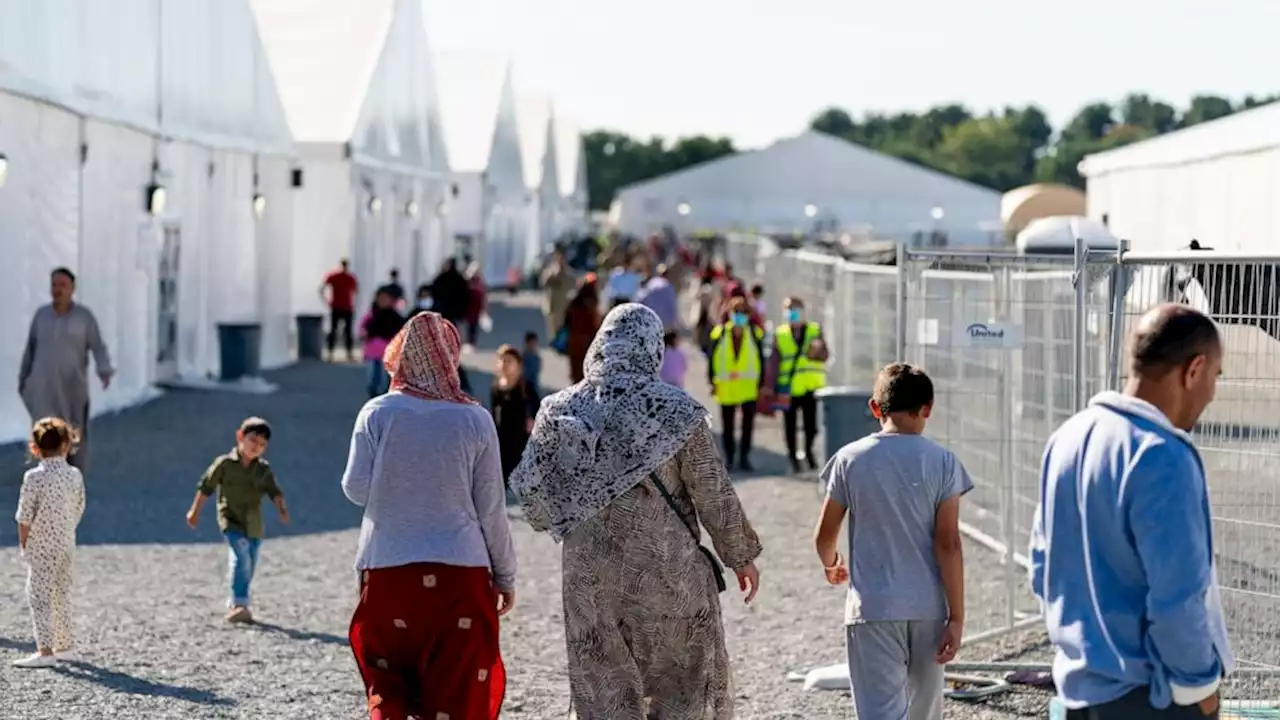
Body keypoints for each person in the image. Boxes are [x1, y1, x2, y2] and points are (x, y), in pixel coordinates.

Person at [510, 303, 763, 720]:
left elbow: (533, 498)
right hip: (668, 573)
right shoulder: (676, 411)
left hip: (590, 580)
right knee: (681, 686)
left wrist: (583, 499)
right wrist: (740, 558)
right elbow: (712, 491)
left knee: (604, 688)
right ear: (652, 349)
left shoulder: (558, 410)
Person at [1030, 304, 1233, 719]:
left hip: (1079, 690)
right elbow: (1178, 599)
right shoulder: (1164, 456)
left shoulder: (1067, 437)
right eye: (1215, 375)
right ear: (1193, 370)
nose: (1213, 392)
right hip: (1151, 697)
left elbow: (1041, 566)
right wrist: (1200, 689)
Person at [342, 312, 515, 720]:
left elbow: (355, 488)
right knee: (456, 693)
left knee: (388, 685)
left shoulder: (377, 413)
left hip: (389, 571)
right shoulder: (474, 418)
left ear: (400, 355)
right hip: (461, 577)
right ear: (451, 357)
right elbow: (491, 506)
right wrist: (505, 575)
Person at [813, 363, 970, 720]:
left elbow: (824, 536)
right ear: (928, 408)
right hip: (928, 607)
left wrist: (831, 563)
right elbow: (949, 545)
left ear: (874, 407)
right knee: (924, 712)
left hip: (872, 608)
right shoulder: (944, 463)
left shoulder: (849, 459)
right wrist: (956, 617)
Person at [185, 417, 290, 624]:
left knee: (249, 563)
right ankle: (238, 603)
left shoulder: (263, 470)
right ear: (240, 437)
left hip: (253, 524)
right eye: (252, 440)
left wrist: (282, 510)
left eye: (261, 445)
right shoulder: (224, 464)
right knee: (241, 556)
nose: (256, 447)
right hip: (230, 519)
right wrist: (194, 511)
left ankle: (239, 597)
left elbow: (274, 492)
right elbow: (206, 487)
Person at [19, 267, 113, 477]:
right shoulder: (41, 316)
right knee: (44, 430)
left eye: (63, 285)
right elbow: (30, 349)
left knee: (73, 432)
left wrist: (104, 369)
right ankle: (44, 475)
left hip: (73, 388)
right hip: (44, 386)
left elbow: (97, 346)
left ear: (72, 289)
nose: (58, 289)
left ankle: (74, 475)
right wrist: (24, 378)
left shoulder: (84, 318)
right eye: (54, 284)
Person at [12, 417, 85, 668]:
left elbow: (24, 516)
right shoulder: (74, 474)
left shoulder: (34, 478)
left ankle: (45, 651)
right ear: (67, 445)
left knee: (39, 595)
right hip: (66, 542)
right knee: (61, 593)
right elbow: (79, 506)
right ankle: (65, 646)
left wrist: (24, 543)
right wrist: (66, 529)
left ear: (35, 448)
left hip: (41, 546)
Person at [766, 297, 830, 473]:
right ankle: (793, 458)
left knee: (811, 426)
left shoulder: (814, 330)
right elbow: (773, 361)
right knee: (790, 426)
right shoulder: (780, 334)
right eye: (789, 310)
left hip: (810, 387)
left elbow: (825, 355)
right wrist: (770, 386)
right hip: (787, 387)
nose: (792, 314)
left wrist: (819, 349)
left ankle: (808, 451)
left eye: (795, 310)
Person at [708, 296, 767, 472]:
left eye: (743, 312)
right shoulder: (719, 334)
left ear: (749, 315)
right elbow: (712, 359)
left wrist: (762, 383)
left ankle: (744, 457)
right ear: (730, 314)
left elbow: (761, 361)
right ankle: (730, 458)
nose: (740, 316)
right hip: (726, 386)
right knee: (728, 426)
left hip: (748, 386)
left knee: (747, 425)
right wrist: (712, 380)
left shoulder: (756, 335)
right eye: (736, 312)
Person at [490, 344, 539, 485]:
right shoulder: (496, 387)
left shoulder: (525, 387)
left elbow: (536, 409)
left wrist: (532, 421)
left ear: (518, 365)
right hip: (502, 439)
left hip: (521, 439)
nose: (504, 365)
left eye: (509, 361)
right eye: (502, 361)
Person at [358, 290, 407, 398]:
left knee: (388, 373)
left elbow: (402, 330)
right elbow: (362, 326)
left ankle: (387, 391)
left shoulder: (395, 316)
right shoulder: (372, 315)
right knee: (374, 373)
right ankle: (373, 390)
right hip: (373, 349)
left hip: (389, 350)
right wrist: (363, 335)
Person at [564, 275, 603, 384]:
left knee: (575, 371)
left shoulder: (573, 303)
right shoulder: (592, 305)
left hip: (574, 341)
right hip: (588, 342)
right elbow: (596, 325)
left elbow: (566, 321)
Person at [321, 258, 359, 361]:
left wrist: (327, 301)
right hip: (340, 307)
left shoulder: (345, 277)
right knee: (336, 331)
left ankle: (345, 353)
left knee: (343, 331)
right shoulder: (343, 277)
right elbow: (356, 291)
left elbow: (322, 289)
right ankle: (333, 352)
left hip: (343, 307)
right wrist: (328, 301)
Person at [540, 249, 577, 339]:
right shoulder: (551, 270)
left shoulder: (569, 272)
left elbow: (572, 285)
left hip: (563, 304)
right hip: (551, 304)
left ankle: (560, 342)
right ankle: (554, 341)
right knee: (552, 327)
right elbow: (544, 282)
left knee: (561, 326)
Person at [428, 258, 470, 331]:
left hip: (443, 311)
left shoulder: (441, 278)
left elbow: (434, 292)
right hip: (455, 312)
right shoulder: (460, 279)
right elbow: (465, 297)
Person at [637, 263, 680, 330]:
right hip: (665, 322)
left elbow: (641, 298)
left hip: (651, 319)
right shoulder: (669, 286)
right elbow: (672, 306)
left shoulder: (652, 283)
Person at [464, 261, 488, 348]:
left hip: (476, 308)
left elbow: (483, 296)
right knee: (468, 325)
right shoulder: (467, 281)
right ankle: (468, 342)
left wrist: (484, 309)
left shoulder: (480, 282)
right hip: (468, 307)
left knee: (474, 326)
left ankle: (471, 342)